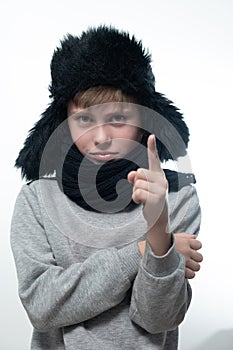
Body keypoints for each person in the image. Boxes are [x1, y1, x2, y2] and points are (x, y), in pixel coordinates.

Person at [11, 26, 203, 350]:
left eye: (117, 117)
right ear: (64, 123)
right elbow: (42, 306)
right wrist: (142, 252)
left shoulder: (177, 197)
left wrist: (158, 231)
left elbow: (158, 319)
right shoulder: (37, 200)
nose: (101, 138)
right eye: (84, 120)